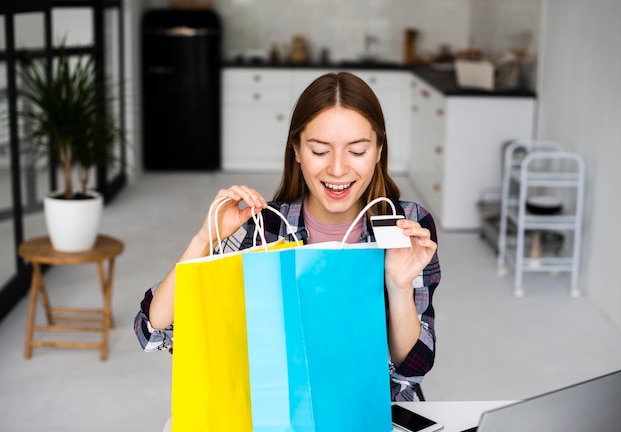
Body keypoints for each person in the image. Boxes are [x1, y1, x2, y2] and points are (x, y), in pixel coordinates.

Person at [134, 71, 440, 402]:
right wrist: (203, 241)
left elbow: (413, 370)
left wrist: (399, 286)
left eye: (357, 151)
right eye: (320, 151)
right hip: (283, 411)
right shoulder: (265, 229)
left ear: (379, 150)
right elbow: (155, 331)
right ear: (296, 150)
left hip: (374, 410)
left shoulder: (407, 226)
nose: (337, 170)